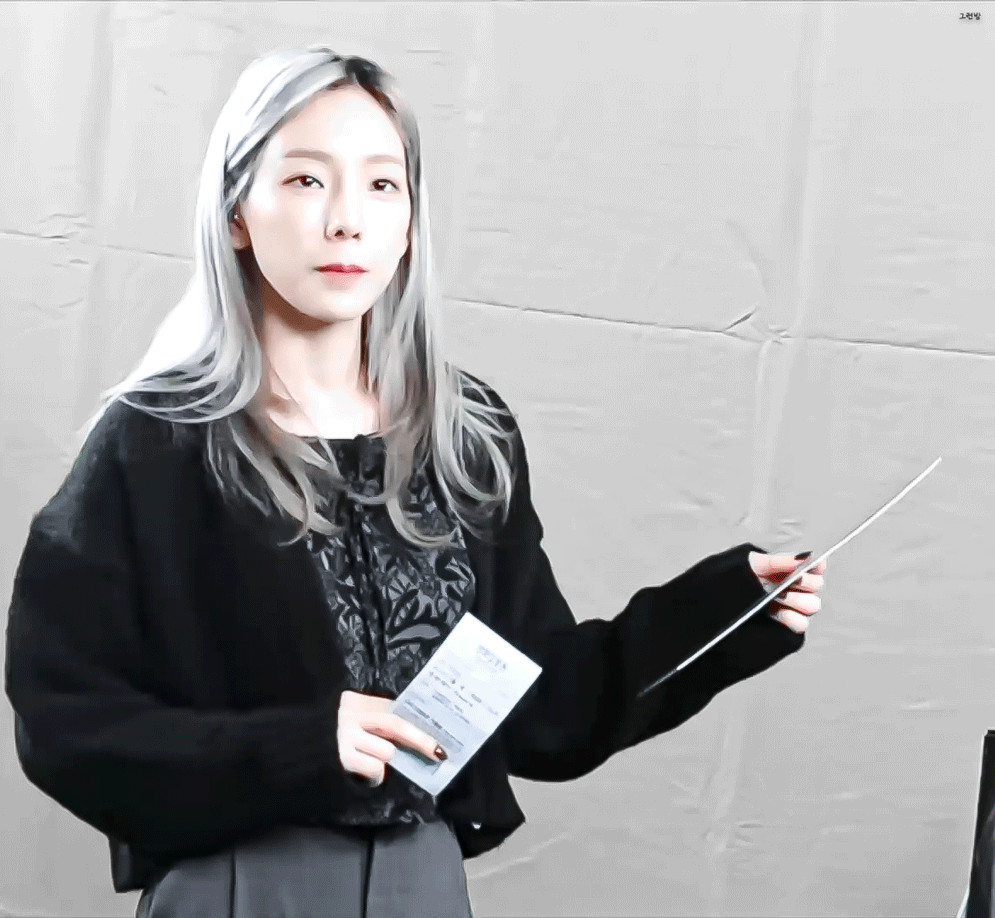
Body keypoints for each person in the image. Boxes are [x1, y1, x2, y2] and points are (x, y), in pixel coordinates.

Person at [4, 46, 826, 918]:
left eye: (381, 185)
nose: (346, 221)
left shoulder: (465, 436)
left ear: (408, 221)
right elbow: (65, 720)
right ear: (236, 211)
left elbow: (543, 709)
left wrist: (722, 611)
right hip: (242, 887)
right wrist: (296, 747)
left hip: (424, 885)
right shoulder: (159, 442)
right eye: (306, 181)